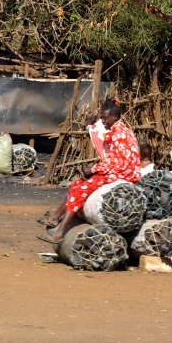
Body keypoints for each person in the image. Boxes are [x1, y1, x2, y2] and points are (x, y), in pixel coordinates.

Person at [37, 98, 141, 244]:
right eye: (102, 118)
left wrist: (93, 169)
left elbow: (117, 163)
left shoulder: (117, 135)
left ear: (115, 117)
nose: (103, 121)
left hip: (123, 174)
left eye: (105, 118)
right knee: (77, 184)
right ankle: (55, 218)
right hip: (121, 171)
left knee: (79, 190)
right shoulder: (121, 130)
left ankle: (59, 233)